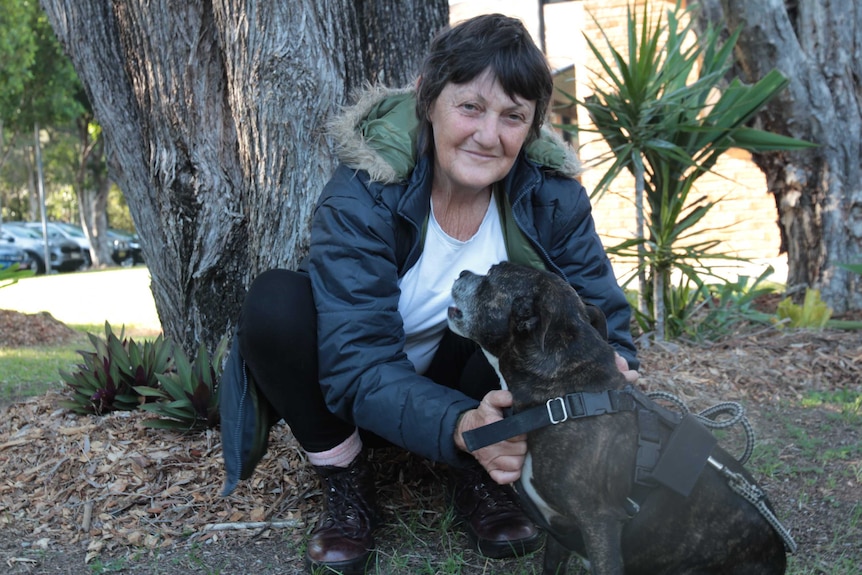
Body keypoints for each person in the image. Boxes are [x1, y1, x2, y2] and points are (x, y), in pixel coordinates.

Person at [223, 13, 639, 575]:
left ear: (533, 126)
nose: (489, 135)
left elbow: (599, 313)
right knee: (276, 305)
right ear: (427, 97)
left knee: (521, 313)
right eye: (470, 107)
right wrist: (461, 426)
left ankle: (482, 477)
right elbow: (356, 363)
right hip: (354, 393)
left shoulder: (553, 196)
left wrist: (612, 370)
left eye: (513, 116)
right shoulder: (364, 193)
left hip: (468, 378)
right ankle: (346, 480)